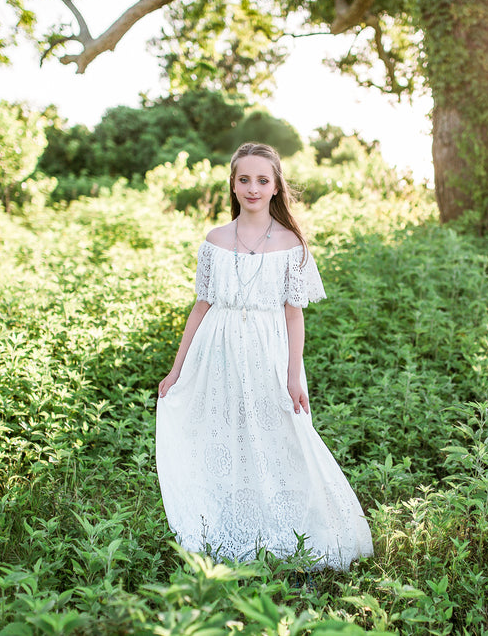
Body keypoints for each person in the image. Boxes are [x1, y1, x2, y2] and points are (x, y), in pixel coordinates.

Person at [155, 142, 373, 570]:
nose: (252, 188)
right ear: (233, 186)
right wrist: (177, 368)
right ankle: (229, 516)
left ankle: (293, 526)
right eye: (244, 180)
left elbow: (294, 316)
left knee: (280, 434)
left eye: (262, 180)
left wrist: (293, 376)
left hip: (269, 353)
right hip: (216, 352)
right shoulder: (215, 240)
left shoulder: (291, 244)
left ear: (275, 188)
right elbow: (202, 305)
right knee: (226, 429)